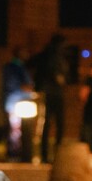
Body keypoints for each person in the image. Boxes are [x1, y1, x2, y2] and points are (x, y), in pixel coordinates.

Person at [30, 34, 70, 163]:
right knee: (55, 124)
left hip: (48, 92)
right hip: (53, 93)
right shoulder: (54, 56)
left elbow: (30, 63)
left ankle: (46, 155)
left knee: (48, 124)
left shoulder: (45, 55)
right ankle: (53, 155)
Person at [0, 47, 34, 161]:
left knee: (16, 129)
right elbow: (15, 84)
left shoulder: (16, 67)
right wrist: (26, 89)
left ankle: (16, 152)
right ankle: (13, 153)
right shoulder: (14, 68)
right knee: (15, 129)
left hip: (16, 101)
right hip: (15, 101)